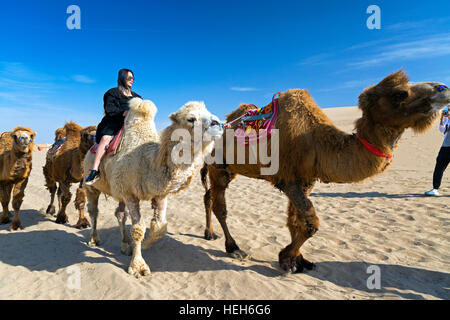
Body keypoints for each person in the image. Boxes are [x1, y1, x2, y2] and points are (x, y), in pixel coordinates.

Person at [85, 68, 142, 185]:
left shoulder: (137, 97)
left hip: (132, 124)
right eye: (129, 78)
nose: (132, 80)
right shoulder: (112, 93)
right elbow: (109, 110)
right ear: (122, 78)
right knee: (106, 139)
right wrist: (124, 112)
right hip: (113, 123)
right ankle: (95, 170)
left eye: (133, 78)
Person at [425, 107, 450, 196]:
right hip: (446, 147)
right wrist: (442, 119)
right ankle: (435, 188)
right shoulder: (447, 119)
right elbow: (442, 130)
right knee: (439, 168)